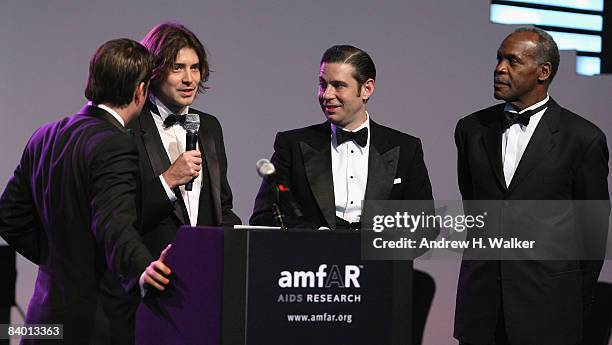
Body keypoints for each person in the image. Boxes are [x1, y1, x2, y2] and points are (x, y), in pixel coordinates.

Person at [0, 38, 171, 344]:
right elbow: (112, 223)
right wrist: (142, 267)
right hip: (92, 325)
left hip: (44, 320)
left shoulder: (45, 135)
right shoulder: (115, 143)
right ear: (140, 91)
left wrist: (59, 257)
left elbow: (9, 217)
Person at [454, 27, 610, 345]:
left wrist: (569, 301)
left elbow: (592, 235)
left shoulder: (583, 138)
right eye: (499, 59)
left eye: (512, 60)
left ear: (543, 71)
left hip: (549, 311)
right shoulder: (470, 129)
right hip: (481, 308)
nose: (499, 68)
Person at [100, 22, 241, 344]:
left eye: (195, 68)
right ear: (154, 71)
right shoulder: (129, 127)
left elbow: (223, 205)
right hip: (148, 284)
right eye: (178, 68)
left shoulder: (209, 127)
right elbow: (118, 216)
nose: (189, 79)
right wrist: (167, 180)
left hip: (203, 286)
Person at [250, 44, 433, 229]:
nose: (327, 95)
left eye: (338, 85)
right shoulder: (291, 146)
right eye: (322, 84)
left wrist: (374, 245)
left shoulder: (406, 149)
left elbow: (425, 227)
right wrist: (315, 237)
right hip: (312, 256)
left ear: (366, 89)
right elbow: (264, 217)